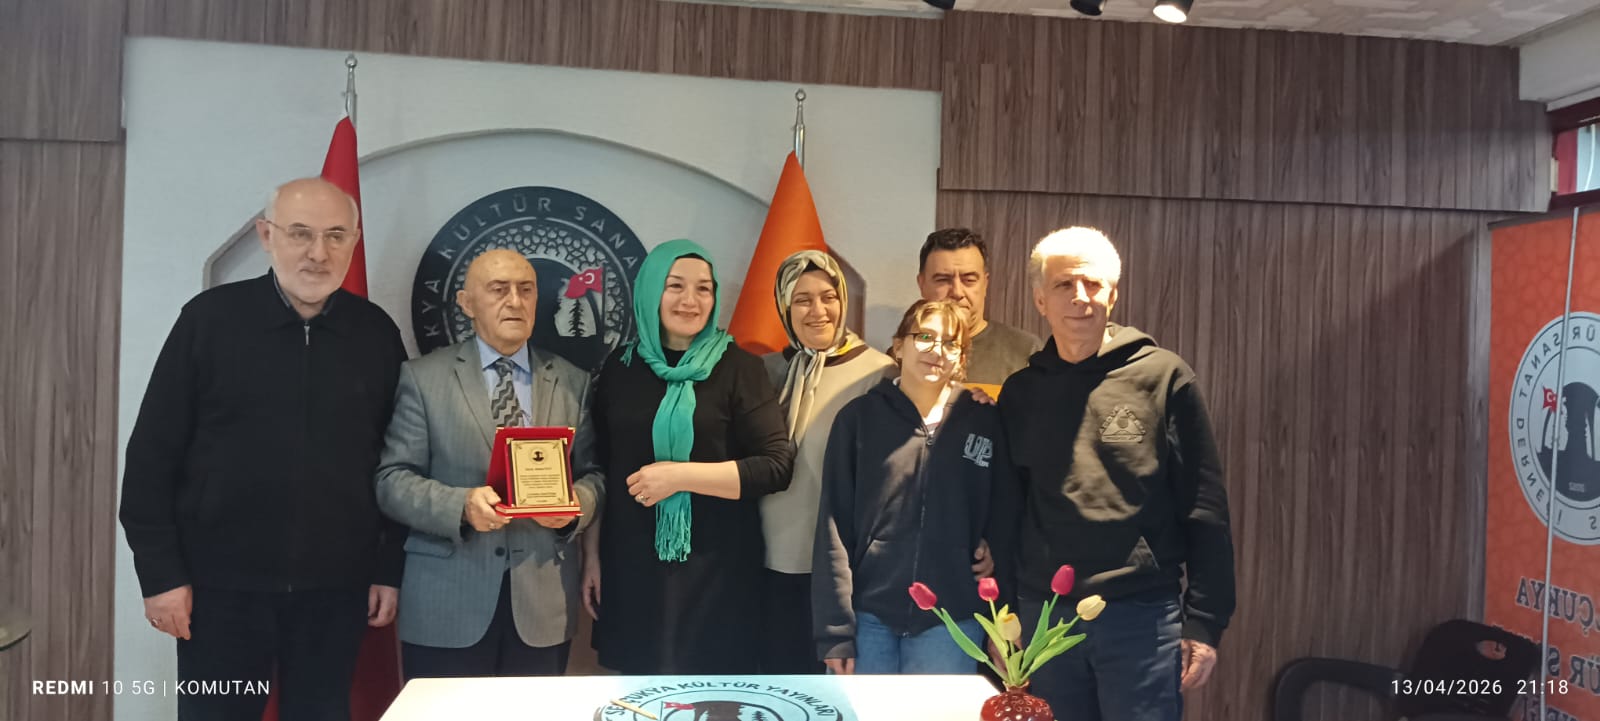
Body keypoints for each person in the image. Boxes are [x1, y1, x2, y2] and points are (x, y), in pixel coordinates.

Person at [119, 177, 406, 721]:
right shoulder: (208, 321)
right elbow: (152, 459)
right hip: (218, 593)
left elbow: (396, 463)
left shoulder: (375, 334)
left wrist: (387, 568)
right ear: (266, 235)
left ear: (354, 240)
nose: (318, 253)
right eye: (300, 233)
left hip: (337, 594)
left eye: (336, 236)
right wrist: (161, 576)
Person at [998, 227, 1236, 721]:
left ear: (1113, 295)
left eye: (1093, 284)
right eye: (1064, 284)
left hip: (1140, 617)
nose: (1080, 297)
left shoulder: (1163, 377)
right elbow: (1006, 512)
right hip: (1044, 618)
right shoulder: (1020, 393)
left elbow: (1204, 504)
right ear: (1040, 299)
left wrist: (1205, 621)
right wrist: (1005, 617)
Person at [374, 249, 603, 678]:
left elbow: (594, 474)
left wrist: (575, 507)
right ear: (466, 303)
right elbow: (392, 480)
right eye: (499, 289)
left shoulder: (573, 380)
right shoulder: (422, 378)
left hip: (542, 604)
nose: (514, 301)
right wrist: (460, 506)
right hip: (446, 600)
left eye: (526, 290)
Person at [580, 238, 795, 674]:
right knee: (639, 693)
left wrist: (680, 477)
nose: (690, 301)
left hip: (717, 571)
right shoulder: (619, 369)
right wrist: (592, 557)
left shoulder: (739, 367)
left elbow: (775, 466)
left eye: (704, 289)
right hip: (632, 565)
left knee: (715, 695)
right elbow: (600, 468)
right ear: (650, 291)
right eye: (675, 286)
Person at [812, 299, 1017, 675]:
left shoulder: (985, 421)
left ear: (961, 358)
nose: (937, 350)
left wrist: (1002, 611)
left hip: (952, 620)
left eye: (951, 343)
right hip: (868, 617)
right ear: (899, 346)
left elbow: (1005, 515)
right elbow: (833, 527)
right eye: (924, 337)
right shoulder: (858, 420)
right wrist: (835, 632)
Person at [758, 250, 896, 674]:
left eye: (828, 297)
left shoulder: (881, 373)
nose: (818, 311)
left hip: (841, 572)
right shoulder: (767, 371)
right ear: (784, 307)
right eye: (802, 300)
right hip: (770, 562)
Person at [916, 228, 1042, 391]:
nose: (957, 292)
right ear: (922, 284)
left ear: (985, 283)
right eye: (943, 280)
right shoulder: (906, 352)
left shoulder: (1026, 350)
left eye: (969, 280)